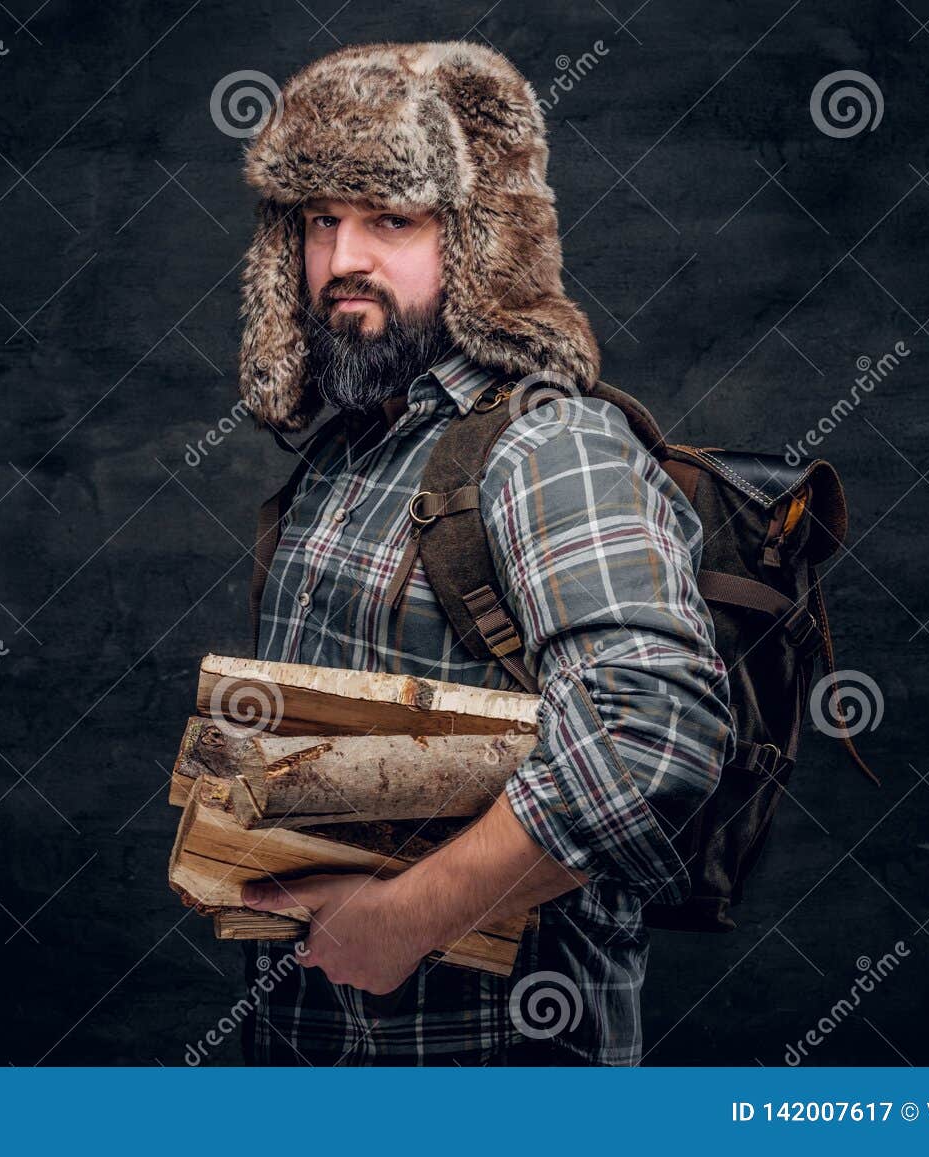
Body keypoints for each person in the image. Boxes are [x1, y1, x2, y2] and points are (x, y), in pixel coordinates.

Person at [231, 40, 735, 1066]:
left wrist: (404, 918)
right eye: (320, 220)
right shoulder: (347, 451)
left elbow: (653, 733)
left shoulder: (549, 445)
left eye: (391, 219)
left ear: (474, 241)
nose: (343, 260)